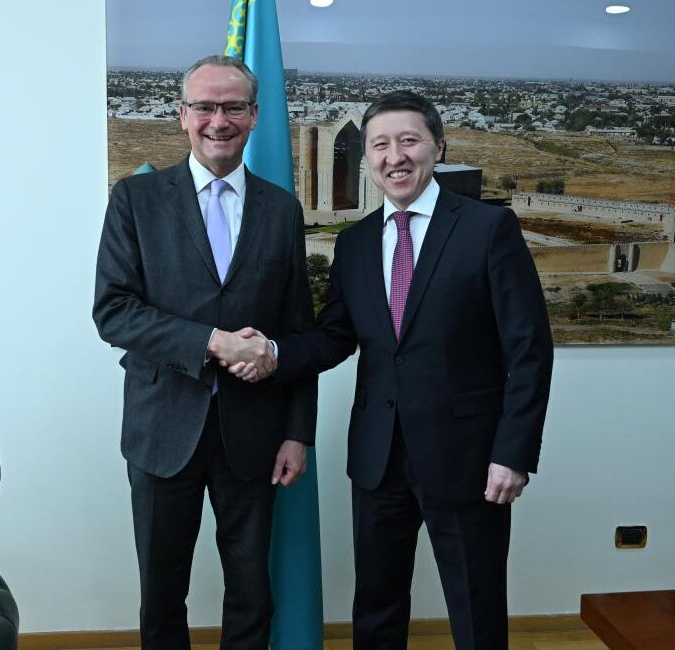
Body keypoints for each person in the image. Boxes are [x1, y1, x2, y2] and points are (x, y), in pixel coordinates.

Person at [229, 90, 553, 649]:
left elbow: (529, 350)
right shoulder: (355, 243)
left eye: (409, 141)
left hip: (469, 459)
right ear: (367, 158)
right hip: (378, 459)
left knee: (475, 611)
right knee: (376, 610)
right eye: (380, 144)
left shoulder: (488, 229)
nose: (394, 156)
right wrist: (273, 352)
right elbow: (335, 336)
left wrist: (513, 453)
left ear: (438, 147)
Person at [92, 55, 316, 650]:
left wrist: (298, 432)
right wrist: (213, 342)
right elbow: (113, 311)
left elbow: (297, 331)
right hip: (162, 430)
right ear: (182, 115)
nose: (219, 120)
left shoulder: (282, 209)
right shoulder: (135, 199)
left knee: (252, 592)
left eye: (233, 107)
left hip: (256, 433)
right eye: (205, 107)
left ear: (255, 116)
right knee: (162, 592)